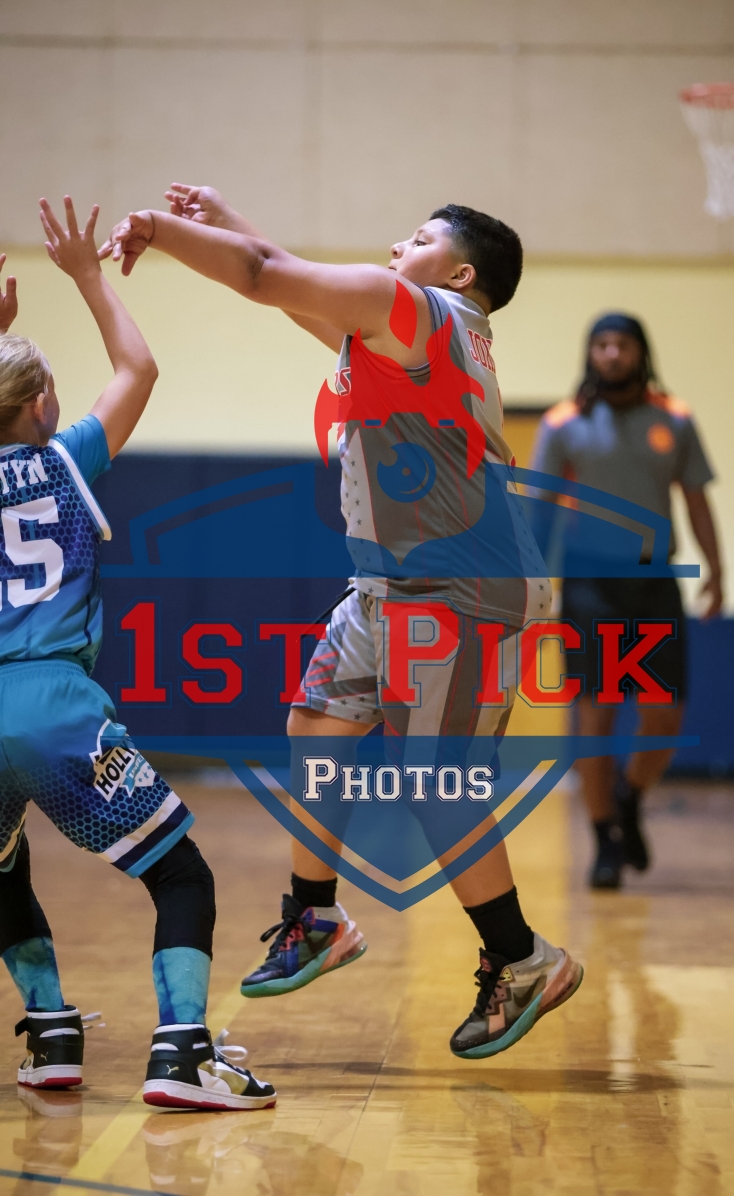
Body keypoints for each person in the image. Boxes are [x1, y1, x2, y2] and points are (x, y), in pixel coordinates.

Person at [102, 184, 584, 1059]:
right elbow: (288, 290)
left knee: (437, 785)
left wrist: (161, 231)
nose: (400, 245)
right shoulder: (416, 335)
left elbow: (263, 275)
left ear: (460, 272)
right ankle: (315, 918)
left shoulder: (420, 312)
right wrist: (227, 222)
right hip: (389, 585)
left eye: (421, 237)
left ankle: (523, 958)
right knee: (317, 724)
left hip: (461, 590)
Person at [0, 197, 274, 1110]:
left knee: (3, 867)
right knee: (179, 872)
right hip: (57, 703)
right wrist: (86, 275)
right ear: (43, 405)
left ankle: (51, 1033)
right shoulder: (66, 459)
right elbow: (138, 367)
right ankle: (183, 1053)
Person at [532, 312, 723, 889]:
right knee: (597, 711)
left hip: (655, 580)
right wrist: (530, 585)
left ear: (642, 352)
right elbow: (541, 512)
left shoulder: (675, 417)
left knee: (665, 714)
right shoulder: (563, 423)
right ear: (590, 354)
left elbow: (696, 499)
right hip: (589, 584)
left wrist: (717, 570)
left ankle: (630, 795)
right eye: (601, 344)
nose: (611, 354)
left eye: (622, 344)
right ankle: (603, 839)